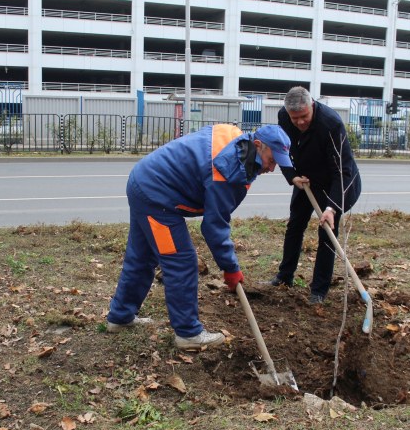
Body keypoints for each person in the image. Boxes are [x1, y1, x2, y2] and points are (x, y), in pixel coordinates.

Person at [106, 123, 293, 350]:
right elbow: (214, 226)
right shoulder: (229, 171)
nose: (272, 168)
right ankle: (188, 334)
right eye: (272, 160)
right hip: (156, 197)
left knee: (142, 256)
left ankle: (120, 317)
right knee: (181, 261)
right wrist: (231, 268)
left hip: (144, 179)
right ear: (257, 145)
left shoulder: (235, 137)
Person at [268, 86, 362, 304]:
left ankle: (319, 290)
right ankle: (284, 276)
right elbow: (281, 150)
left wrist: (331, 208)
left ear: (312, 106)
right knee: (295, 225)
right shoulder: (284, 116)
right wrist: (292, 176)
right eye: (295, 118)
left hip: (334, 183)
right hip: (305, 180)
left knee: (327, 233)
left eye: (304, 116)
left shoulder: (331, 124)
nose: (300, 122)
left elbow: (342, 171)